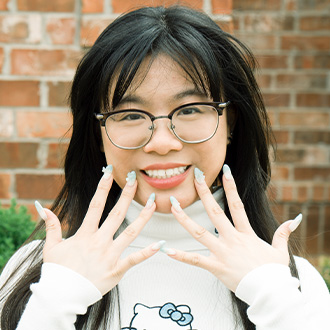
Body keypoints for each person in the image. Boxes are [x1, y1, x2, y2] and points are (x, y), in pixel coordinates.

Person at [0, 5, 329, 330]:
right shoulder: (41, 274)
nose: (161, 142)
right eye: (129, 115)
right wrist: (54, 303)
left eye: (190, 109)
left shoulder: (292, 285)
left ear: (231, 123)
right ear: (97, 135)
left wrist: (273, 299)